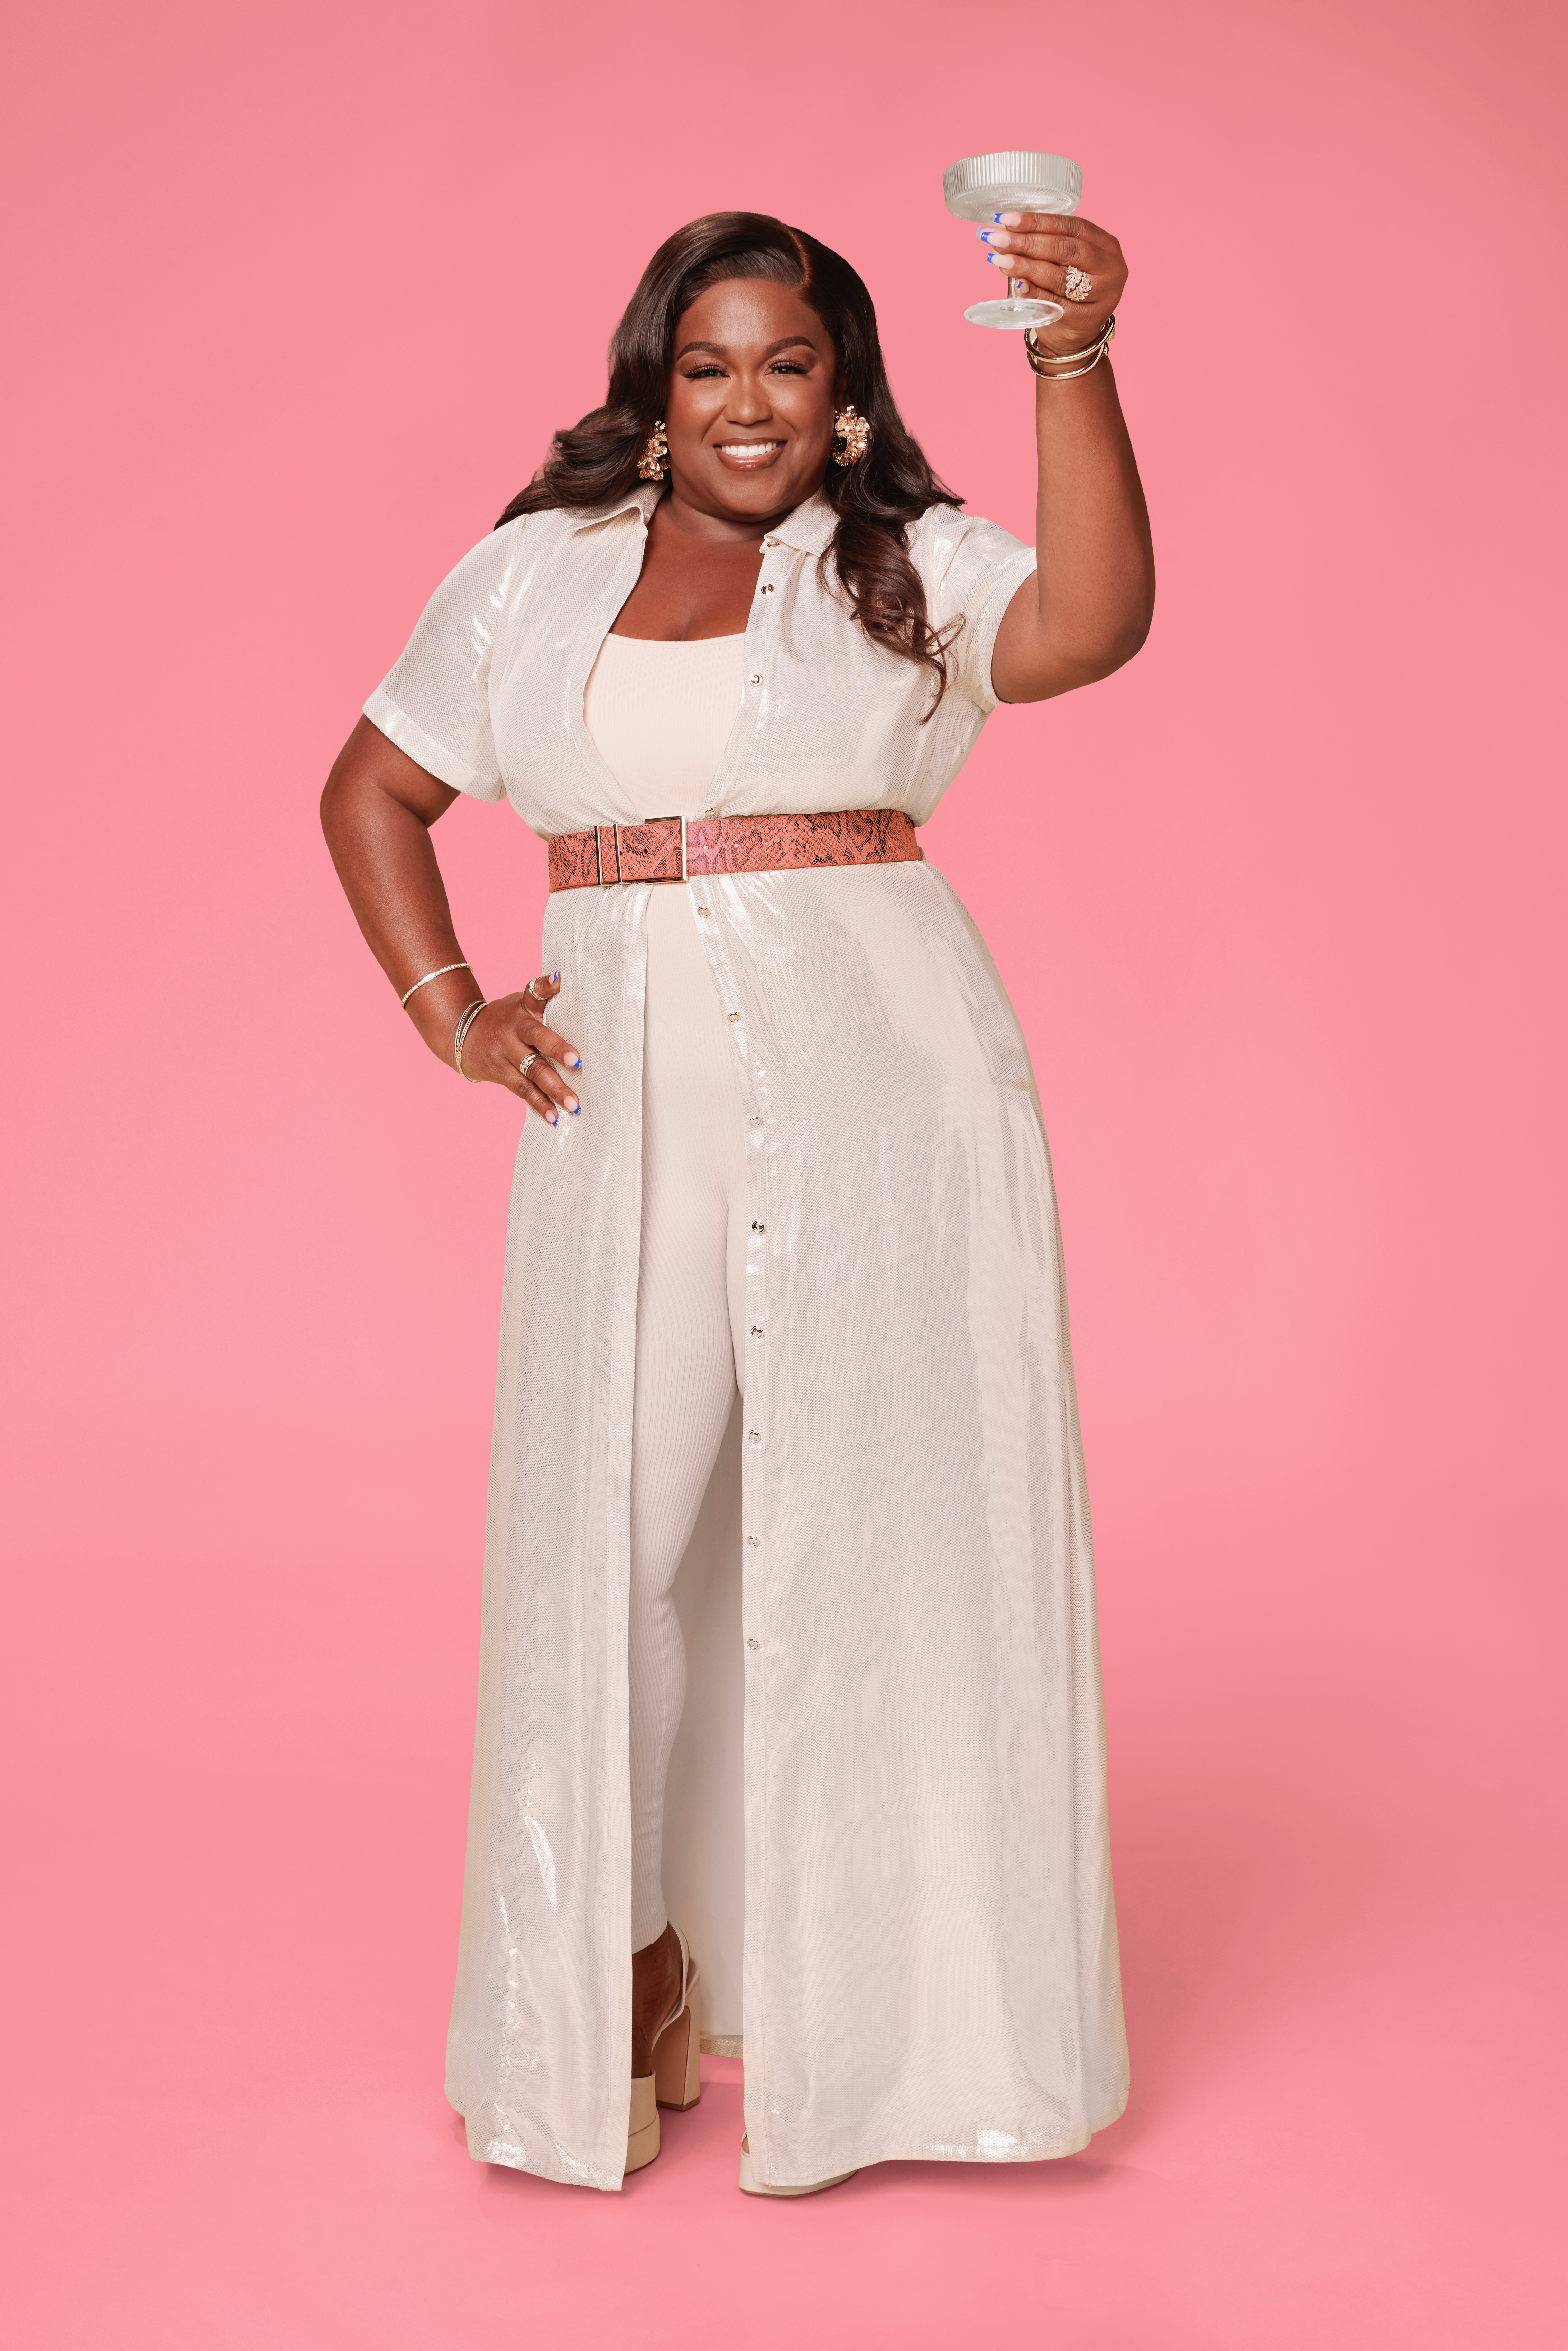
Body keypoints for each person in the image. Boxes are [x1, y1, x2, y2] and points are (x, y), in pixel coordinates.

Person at [321, 208, 1153, 2195]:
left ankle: (913, 2028)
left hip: (888, 1110)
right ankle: (627, 1969)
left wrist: (1070, 360)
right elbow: (371, 790)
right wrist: (454, 1013)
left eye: (790, 363)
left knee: (891, 1536)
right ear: (655, 389)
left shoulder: (905, 563)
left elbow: (1093, 627)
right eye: (709, 367)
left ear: (846, 392)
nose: (748, 402)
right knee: (610, 1539)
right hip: (623, 1117)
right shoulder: (535, 573)